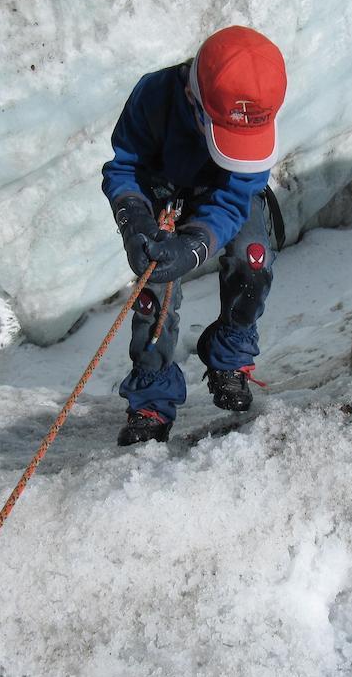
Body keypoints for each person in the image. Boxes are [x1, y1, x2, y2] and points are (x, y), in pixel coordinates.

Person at [102, 25, 287, 446]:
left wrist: (199, 242)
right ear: (195, 98)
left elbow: (238, 193)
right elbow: (124, 167)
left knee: (252, 259)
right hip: (160, 192)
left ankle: (230, 353)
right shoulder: (155, 96)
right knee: (156, 289)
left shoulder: (256, 117)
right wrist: (134, 219)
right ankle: (152, 396)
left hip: (222, 196)